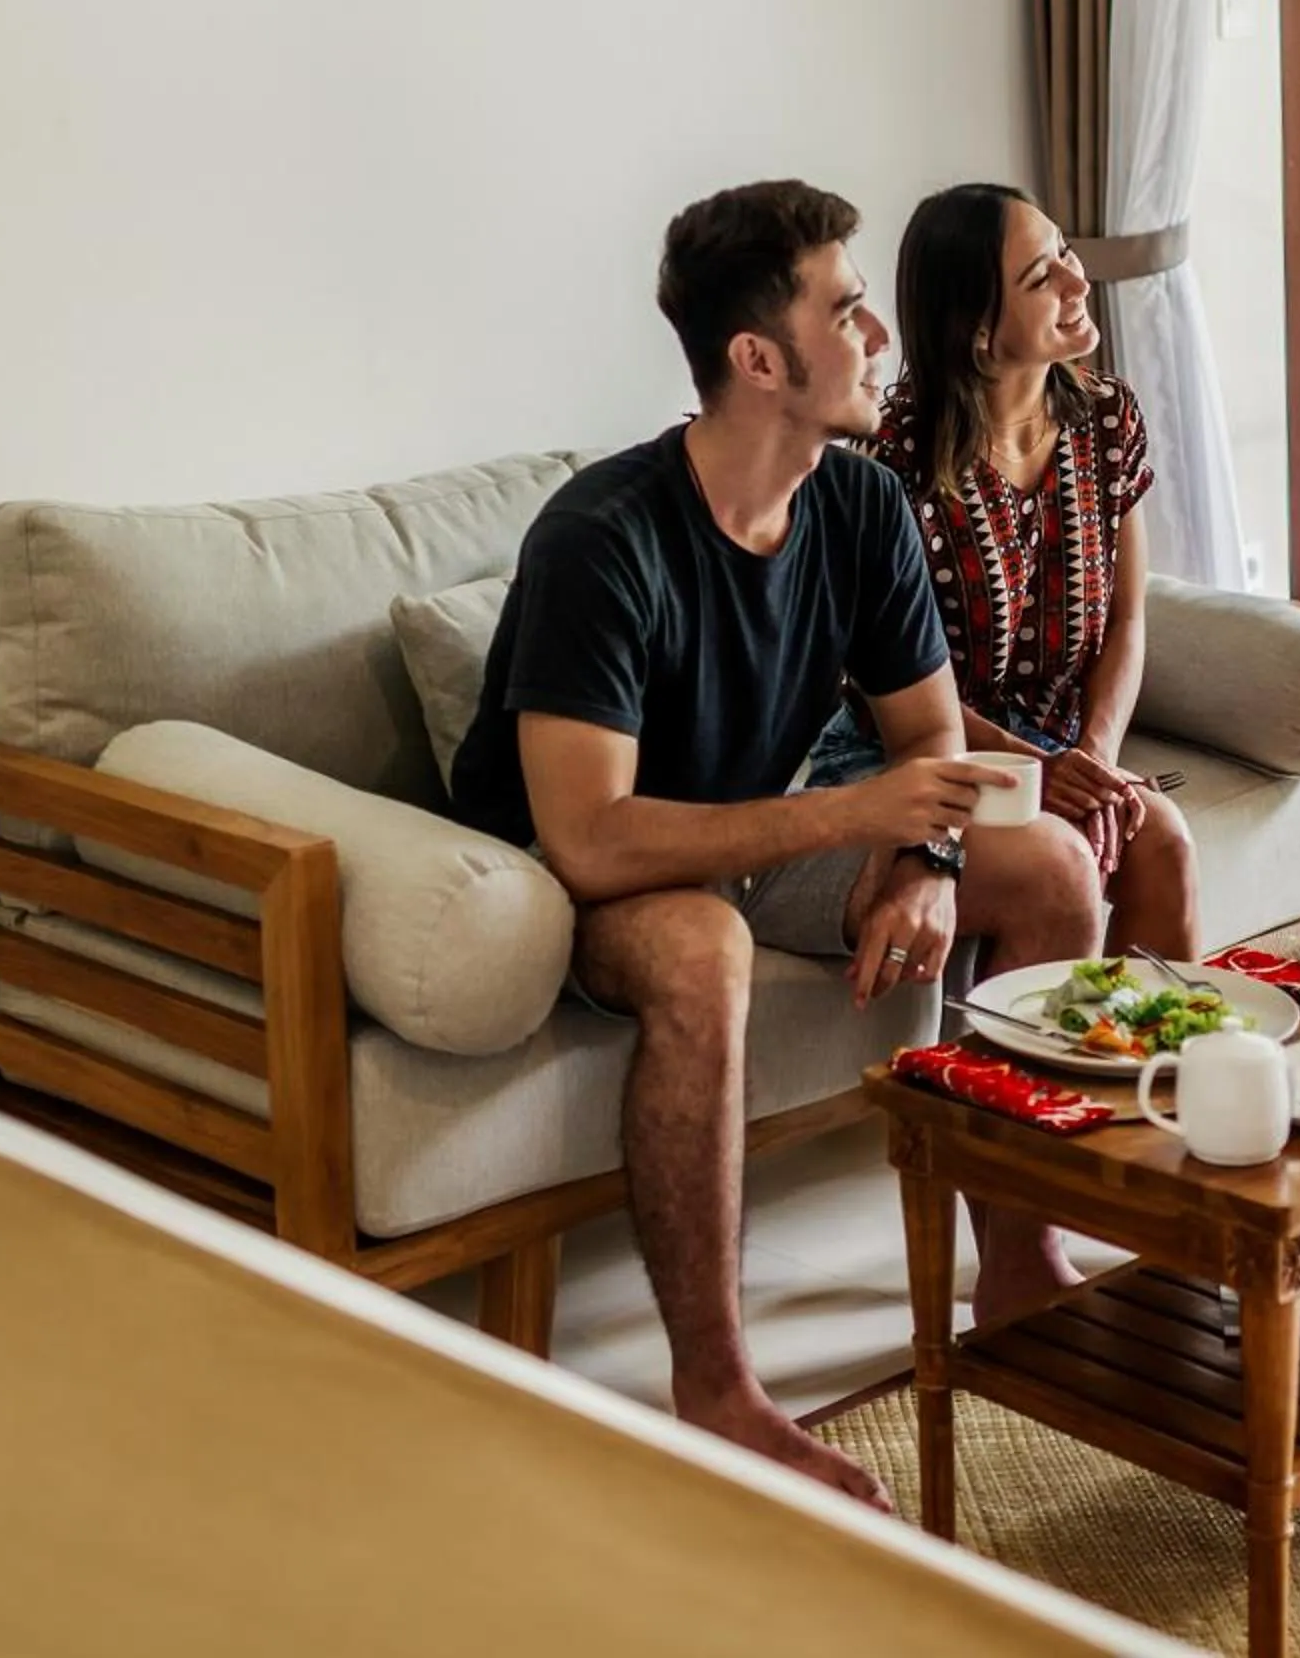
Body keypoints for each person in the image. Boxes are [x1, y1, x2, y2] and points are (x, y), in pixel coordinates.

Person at [450, 180, 1102, 1505]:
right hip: (564, 875)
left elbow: (929, 745)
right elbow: (588, 837)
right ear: (759, 360)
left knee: (1054, 871)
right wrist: (857, 819)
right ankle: (719, 1392)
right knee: (703, 947)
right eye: (849, 312)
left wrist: (923, 859)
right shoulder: (602, 539)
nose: (879, 339)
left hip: (757, 827)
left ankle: (1021, 1261)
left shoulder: (855, 508)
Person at [806, 182, 1200, 960]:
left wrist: (1096, 764)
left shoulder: (1108, 419)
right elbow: (879, 686)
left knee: (1165, 842)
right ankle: (1027, 1081)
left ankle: (1158, 1074)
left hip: (1060, 747)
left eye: (1063, 254)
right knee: (1062, 860)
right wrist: (1034, 772)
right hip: (916, 753)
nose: (1076, 280)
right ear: (979, 331)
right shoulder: (892, 458)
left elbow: (1127, 619)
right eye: (1039, 277)